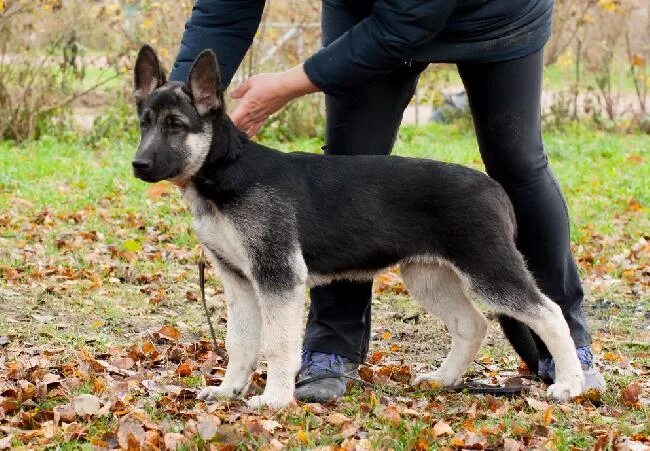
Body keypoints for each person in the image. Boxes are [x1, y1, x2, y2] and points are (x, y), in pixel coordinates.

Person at [169, 0, 605, 402]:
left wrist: (286, 84)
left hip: (492, 11)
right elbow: (224, 10)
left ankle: (568, 349)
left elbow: (410, 17)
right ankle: (331, 347)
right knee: (349, 155)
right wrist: (178, 107)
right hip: (368, 13)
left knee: (518, 162)